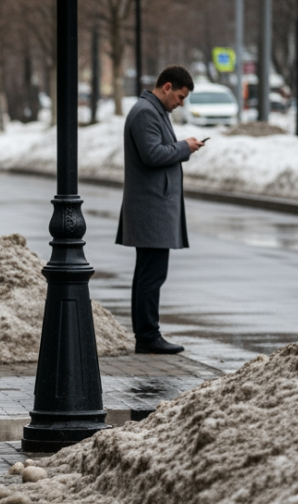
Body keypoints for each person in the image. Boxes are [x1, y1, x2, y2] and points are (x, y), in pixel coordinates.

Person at [116, 65, 204, 354]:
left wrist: (181, 147)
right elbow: (152, 154)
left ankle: (148, 334)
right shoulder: (145, 113)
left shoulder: (154, 111)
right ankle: (148, 336)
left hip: (153, 205)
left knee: (149, 274)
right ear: (167, 87)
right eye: (180, 96)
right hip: (150, 207)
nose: (181, 103)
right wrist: (184, 147)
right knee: (151, 275)